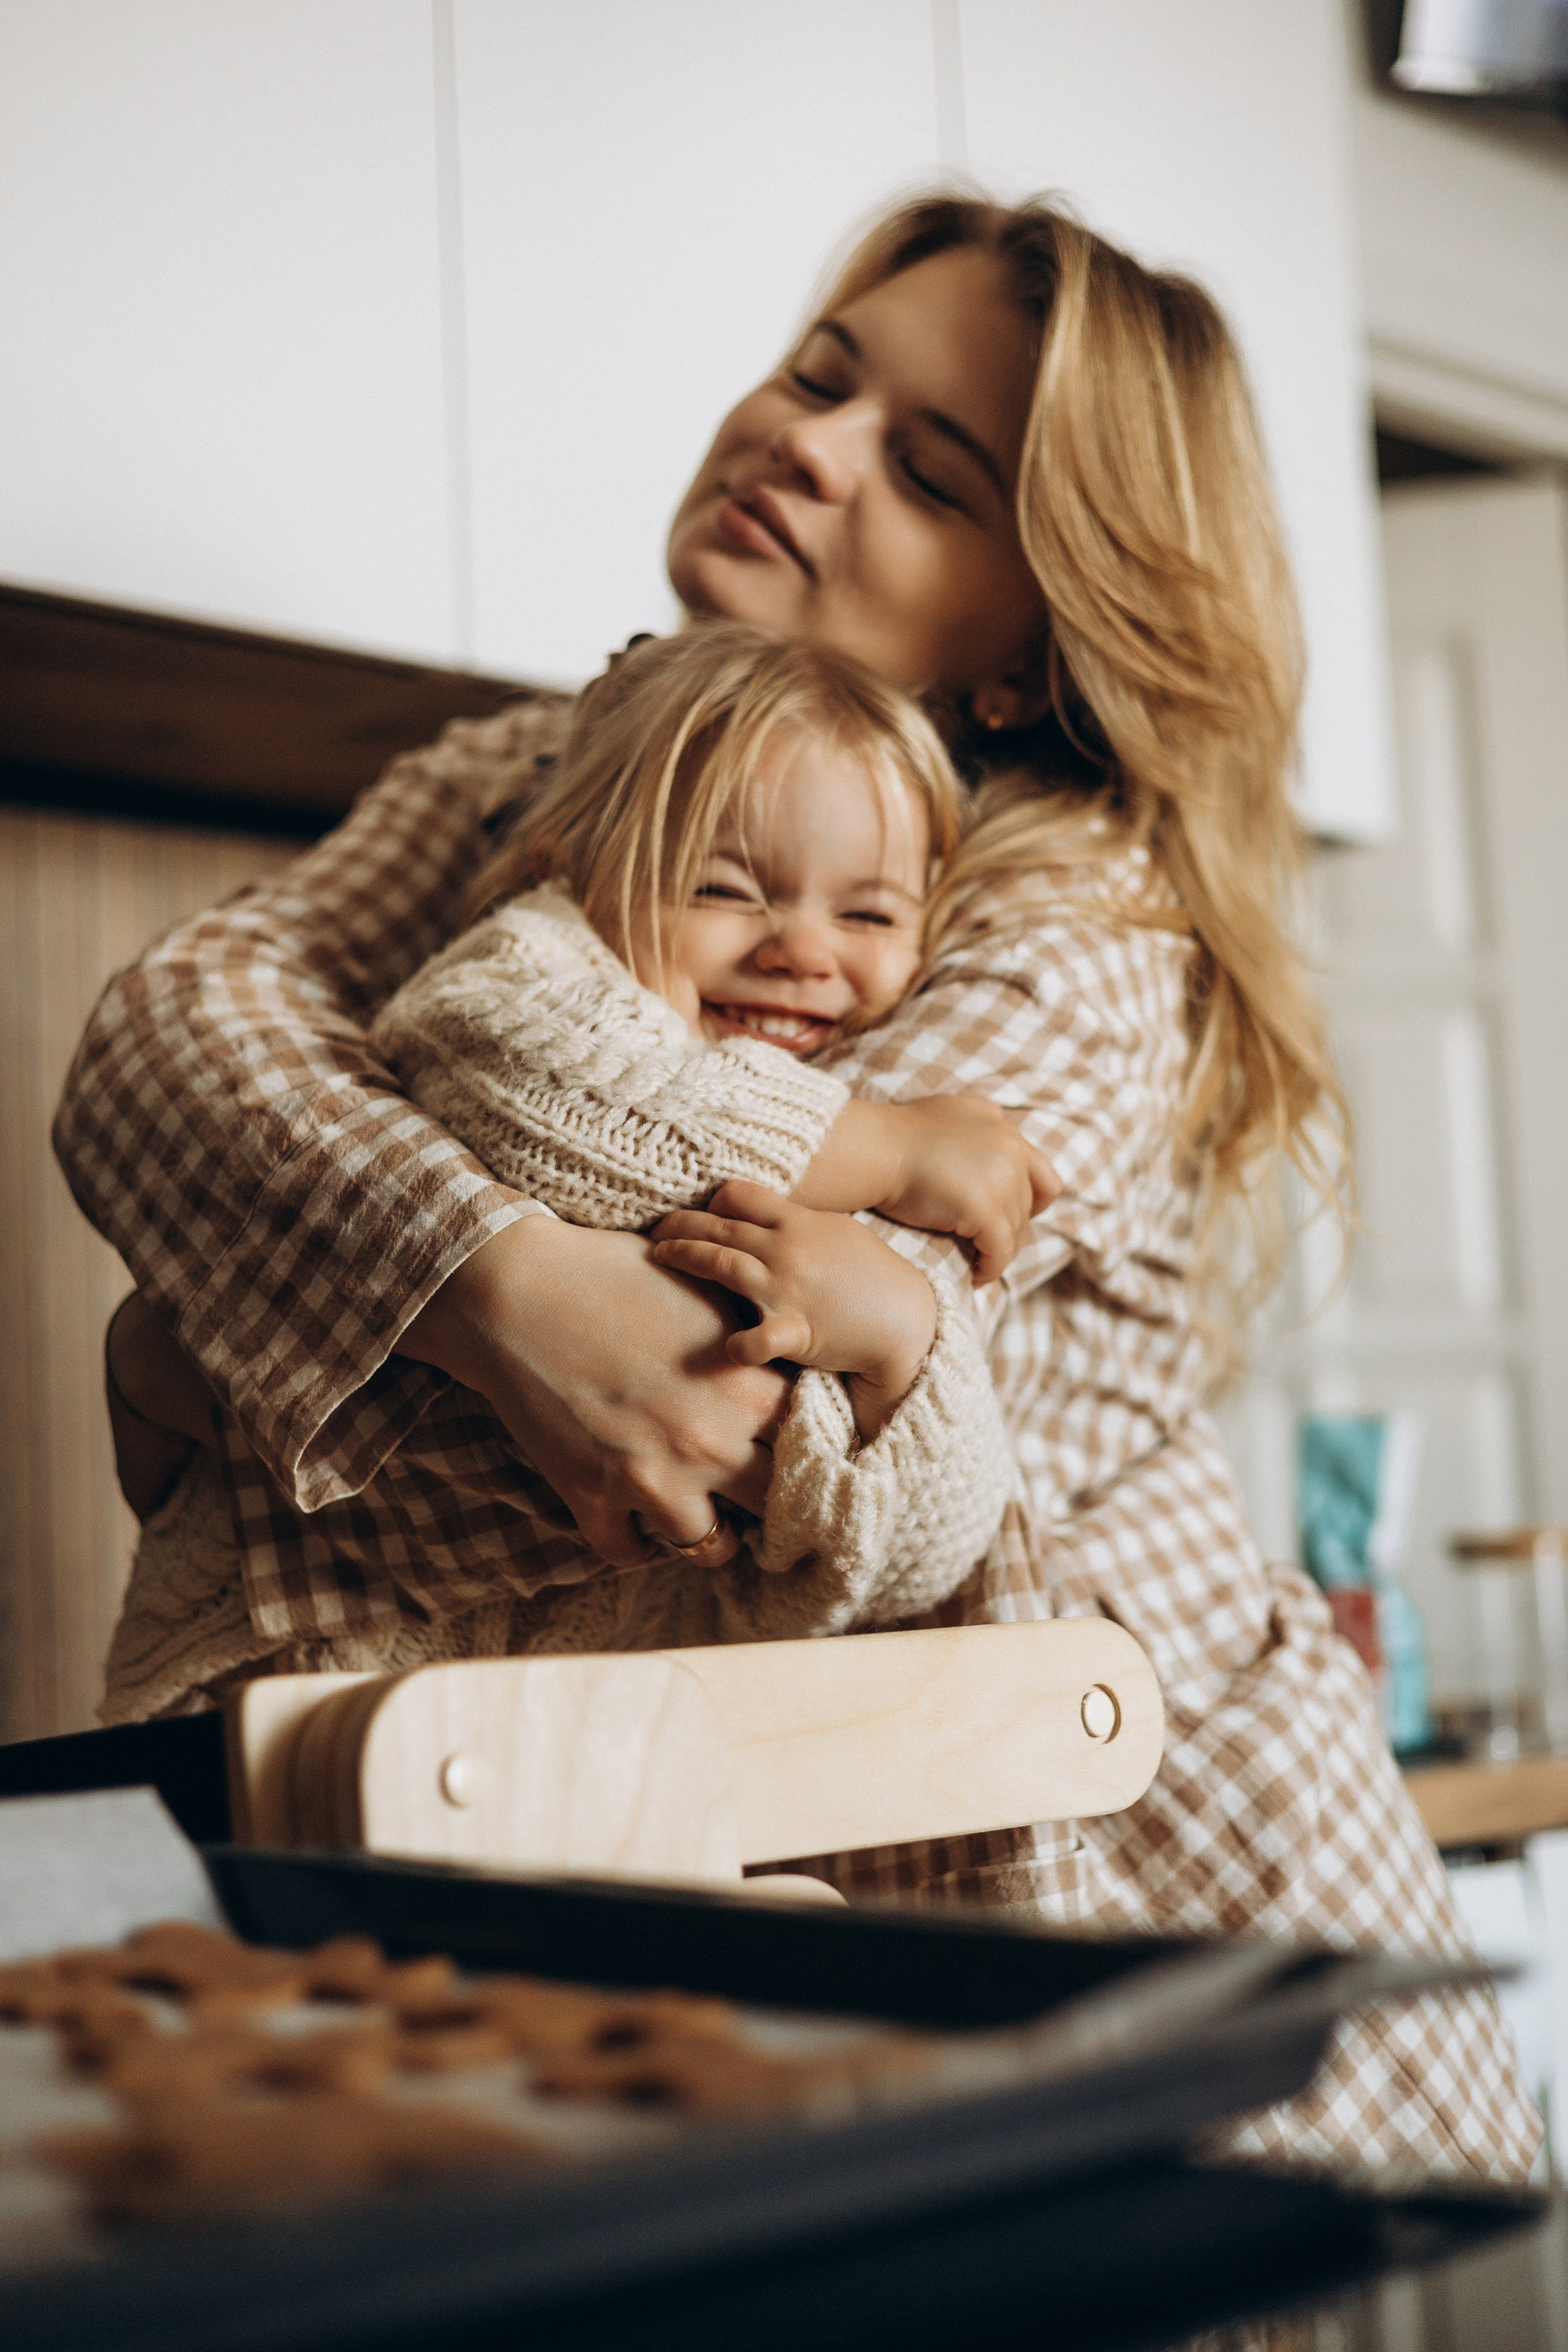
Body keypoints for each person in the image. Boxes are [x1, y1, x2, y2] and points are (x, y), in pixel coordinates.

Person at [58, 192, 1539, 2182]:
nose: (809, 442)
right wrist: (485, 1280)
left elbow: (722, 1404)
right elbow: (155, 1040)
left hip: (1122, 1871)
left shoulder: (1078, 915)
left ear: (1030, 651)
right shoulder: (517, 776)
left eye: (929, 472)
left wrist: (204, 1332)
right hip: (688, 1827)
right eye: (819, 374)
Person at [97, 622, 1057, 1715]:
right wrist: (887, 1147)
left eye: (869, 913)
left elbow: (916, 1567)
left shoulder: (888, 1111)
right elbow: (551, 1099)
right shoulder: (526, 973)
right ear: (578, 866)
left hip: (609, 1723)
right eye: (725, 890)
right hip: (295, 1663)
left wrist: (903, 1344)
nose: (803, 949)